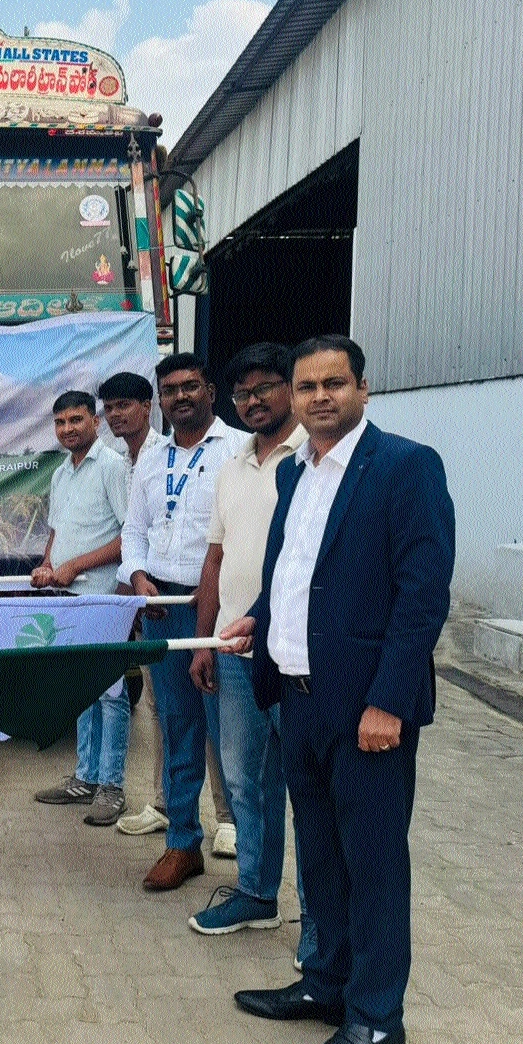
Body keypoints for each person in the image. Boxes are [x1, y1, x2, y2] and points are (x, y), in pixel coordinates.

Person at [221, 335, 454, 1044]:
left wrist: (389, 700)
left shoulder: (405, 468)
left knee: (374, 865)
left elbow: (422, 595)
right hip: (300, 695)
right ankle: (326, 983)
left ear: (362, 390)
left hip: (366, 713)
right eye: (308, 385)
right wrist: (258, 617)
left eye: (335, 383)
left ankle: (379, 1020)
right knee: (319, 855)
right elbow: (296, 569)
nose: (321, 396)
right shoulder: (297, 472)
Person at [187, 344, 312, 946]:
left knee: (312, 794)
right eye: (243, 393)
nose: (254, 400)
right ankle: (257, 895)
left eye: (266, 387)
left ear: (290, 388)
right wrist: (206, 642)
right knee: (244, 783)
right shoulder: (232, 466)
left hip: (298, 655)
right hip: (235, 653)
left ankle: (321, 928)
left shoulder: (312, 462)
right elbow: (215, 558)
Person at [118, 353, 240, 892]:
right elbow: (132, 529)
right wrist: (139, 576)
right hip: (162, 607)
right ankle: (182, 844)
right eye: (170, 390)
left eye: (190, 386)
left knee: (230, 733)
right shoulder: (151, 458)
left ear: (210, 391)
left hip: (219, 607)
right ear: (160, 401)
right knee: (177, 727)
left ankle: (248, 852)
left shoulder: (239, 450)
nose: (180, 397)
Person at [30, 391, 133, 825]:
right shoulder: (61, 473)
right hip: (69, 597)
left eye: (76, 419)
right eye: (60, 422)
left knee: (110, 693)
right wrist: (49, 564)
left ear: (96, 421)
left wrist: (75, 566)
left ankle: (111, 787)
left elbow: (130, 538)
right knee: (82, 687)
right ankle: (84, 779)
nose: (68, 428)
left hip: (104, 596)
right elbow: (58, 531)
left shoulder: (112, 467)